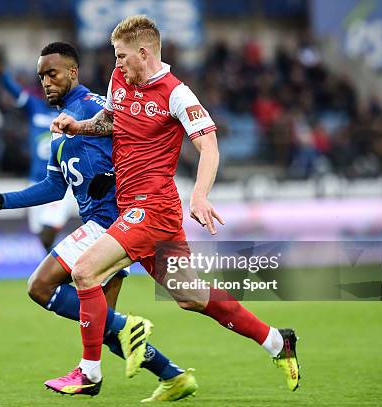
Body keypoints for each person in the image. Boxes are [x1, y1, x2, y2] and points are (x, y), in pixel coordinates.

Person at [47, 15, 301, 396]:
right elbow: (113, 120)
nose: (116, 65)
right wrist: (79, 127)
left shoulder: (177, 93)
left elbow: (209, 145)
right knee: (191, 296)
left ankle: (89, 374)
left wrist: (199, 194)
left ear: (144, 53)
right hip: (138, 208)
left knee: (85, 273)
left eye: (121, 56)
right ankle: (276, 341)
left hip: (152, 209)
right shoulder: (120, 80)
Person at [0, 41, 198, 402]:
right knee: (103, 326)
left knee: (40, 286)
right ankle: (174, 376)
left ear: (73, 72)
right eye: (41, 76)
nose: (46, 82)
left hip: (114, 223)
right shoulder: (60, 123)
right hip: (105, 227)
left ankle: (105, 358)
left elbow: (141, 143)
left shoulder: (94, 108)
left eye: (52, 73)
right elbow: (55, 187)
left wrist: (116, 175)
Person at [0, 26, 72, 252]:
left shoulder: (73, 110)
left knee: (49, 228)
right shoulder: (35, 107)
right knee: (42, 235)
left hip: (61, 183)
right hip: (36, 181)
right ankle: (59, 271)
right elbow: (9, 85)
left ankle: (66, 263)